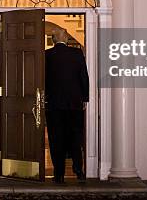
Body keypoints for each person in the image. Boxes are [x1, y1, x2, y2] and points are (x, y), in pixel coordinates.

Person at [45, 28, 89, 184]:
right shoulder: (77, 54)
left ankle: (59, 174)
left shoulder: (47, 55)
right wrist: (85, 98)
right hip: (74, 105)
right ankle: (79, 171)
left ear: (53, 39)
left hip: (54, 105)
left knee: (56, 140)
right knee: (75, 139)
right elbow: (84, 77)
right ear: (65, 37)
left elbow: (43, 80)